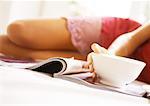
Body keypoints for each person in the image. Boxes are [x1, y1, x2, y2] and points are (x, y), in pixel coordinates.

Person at [0, 17, 149, 83]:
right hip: (112, 37)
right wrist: (109, 56)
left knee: (27, 53)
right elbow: (131, 39)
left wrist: (105, 63)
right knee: (17, 30)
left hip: (107, 69)